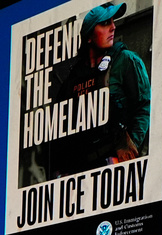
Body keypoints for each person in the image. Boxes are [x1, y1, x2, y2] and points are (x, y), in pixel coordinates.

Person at [49, 2, 150, 175]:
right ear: (89, 36)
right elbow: (58, 127)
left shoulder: (125, 60)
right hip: (78, 170)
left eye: (112, 22)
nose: (113, 27)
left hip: (113, 165)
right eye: (105, 23)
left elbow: (144, 107)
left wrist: (131, 147)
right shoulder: (73, 77)